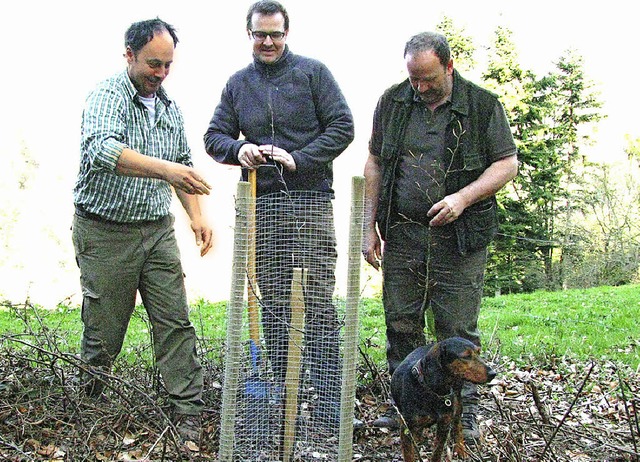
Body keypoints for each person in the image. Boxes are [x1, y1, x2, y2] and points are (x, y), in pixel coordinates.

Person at [203, 0, 355, 431]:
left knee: (318, 303)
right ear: (248, 35)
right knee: (272, 307)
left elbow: (343, 126)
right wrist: (239, 150)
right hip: (262, 207)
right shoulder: (237, 84)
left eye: (275, 34)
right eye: (259, 34)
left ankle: (327, 410)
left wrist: (299, 159)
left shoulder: (313, 74)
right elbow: (214, 136)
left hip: (309, 202)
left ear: (287, 34)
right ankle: (282, 405)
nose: (267, 42)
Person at [363, 31, 518, 443]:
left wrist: (463, 198)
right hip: (404, 233)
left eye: (429, 78)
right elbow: (374, 163)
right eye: (414, 78)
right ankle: (405, 411)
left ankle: (462, 416)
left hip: (460, 238)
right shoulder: (393, 102)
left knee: (456, 327)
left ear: (449, 66)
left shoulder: (482, 105)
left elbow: (507, 164)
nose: (420, 86)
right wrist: (369, 227)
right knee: (401, 324)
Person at [72, 18, 212, 444]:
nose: (161, 73)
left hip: (157, 231)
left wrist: (196, 215)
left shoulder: (169, 108)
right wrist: (167, 169)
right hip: (106, 231)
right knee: (104, 329)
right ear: (129, 55)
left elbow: (182, 167)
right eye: (153, 64)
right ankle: (88, 405)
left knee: (175, 322)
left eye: (168, 65)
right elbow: (102, 150)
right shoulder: (107, 96)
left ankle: (188, 410)